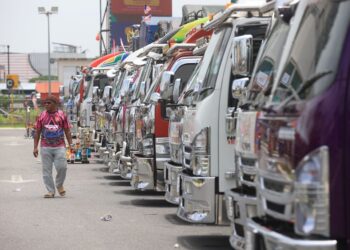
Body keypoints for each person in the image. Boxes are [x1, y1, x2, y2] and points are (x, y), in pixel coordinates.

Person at [33, 95, 73, 198]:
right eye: (45, 103)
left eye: (49, 103)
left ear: (55, 104)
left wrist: (71, 144)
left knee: (62, 167)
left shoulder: (61, 115)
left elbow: (67, 130)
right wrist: (35, 147)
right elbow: (37, 132)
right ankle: (50, 191)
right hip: (45, 147)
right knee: (46, 170)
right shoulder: (42, 116)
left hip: (59, 146)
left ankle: (59, 185)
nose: (46, 105)